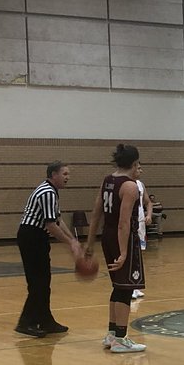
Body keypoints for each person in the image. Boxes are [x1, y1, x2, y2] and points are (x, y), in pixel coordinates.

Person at [85, 144, 147, 354]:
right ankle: (121, 338)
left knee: (118, 286)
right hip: (123, 238)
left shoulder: (107, 180)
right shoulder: (130, 186)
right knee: (126, 287)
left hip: (107, 236)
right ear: (135, 163)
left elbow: (95, 213)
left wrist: (90, 242)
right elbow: (123, 222)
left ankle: (112, 334)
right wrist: (124, 252)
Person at [16, 161, 82, 338]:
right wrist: (70, 244)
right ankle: (25, 322)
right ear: (54, 175)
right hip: (31, 237)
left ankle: (45, 320)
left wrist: (73, 240)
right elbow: (51, 225)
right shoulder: (47, 192)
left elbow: (58, 219)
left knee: (44, 282)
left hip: (37, 237)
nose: (68, 178)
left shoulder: (51, 191)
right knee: (38, 283)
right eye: (65, 174)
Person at [130, 174, 153, 301]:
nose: (140, 170)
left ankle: (135, 286)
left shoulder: (140, 184)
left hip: (140, 222)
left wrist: (149, 215)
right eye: (138, 167)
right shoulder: (123, 184)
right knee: (130, 255)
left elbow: (148, 202)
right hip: (128, 223)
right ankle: (129, 286)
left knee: (138, 256)